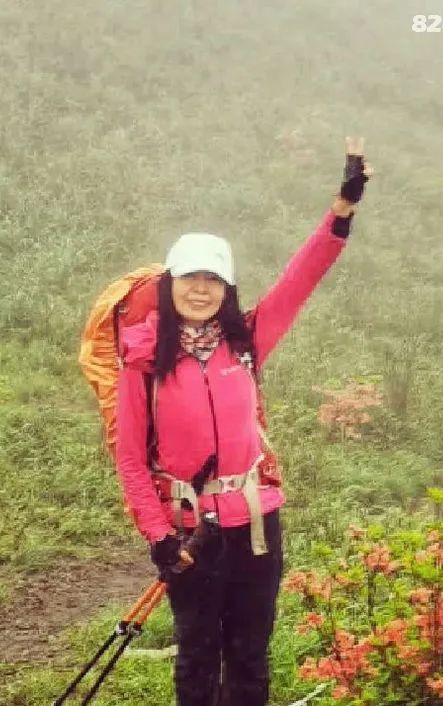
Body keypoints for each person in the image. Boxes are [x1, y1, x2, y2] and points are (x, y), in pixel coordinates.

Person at [113, 138, 373, 706]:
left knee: (251, 655)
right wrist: (158, 537)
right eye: (190, 277)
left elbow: (301, 278)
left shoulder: (247, 340)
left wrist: (343, 207)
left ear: (227, 287)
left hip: (257, 525)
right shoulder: (142, 363)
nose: (201, 288)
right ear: (170, 283)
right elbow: (130, 459)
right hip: (189, 532)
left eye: (213, 278)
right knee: (198, 656)